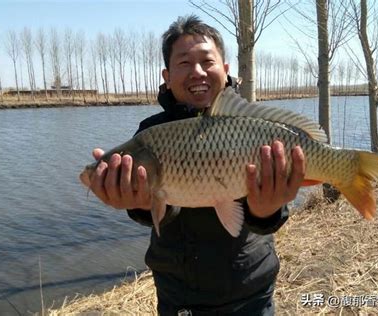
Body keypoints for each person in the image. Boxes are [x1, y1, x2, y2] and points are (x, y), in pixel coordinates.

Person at [86, 15, 305, 315]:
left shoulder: (254, 127)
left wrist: (267, 209)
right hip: (180, 295)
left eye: (207, 61)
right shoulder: (151, 133)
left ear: (225, 70)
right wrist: (138, 203)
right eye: (184, 64)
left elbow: (270, 215)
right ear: (167, 75)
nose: (198, 72)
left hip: (250, 288)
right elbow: (160, 212)